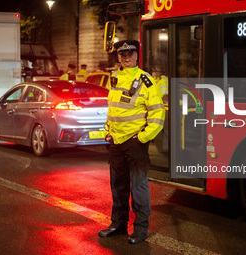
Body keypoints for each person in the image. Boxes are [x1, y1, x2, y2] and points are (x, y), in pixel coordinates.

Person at [98, 40, 165, 244]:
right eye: (123, 54)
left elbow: (158, 113)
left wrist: (143, 137)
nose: (127, 57)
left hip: (135, 143)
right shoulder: (115, 78)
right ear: (118, 57)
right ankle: (118, 225)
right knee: (118, 186)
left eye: (131, 53)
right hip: (116, 142)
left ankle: (140, 229)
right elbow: (114, 109)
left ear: (137, 55)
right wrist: (108, 131)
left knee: (138, 187)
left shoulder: (145, 80)